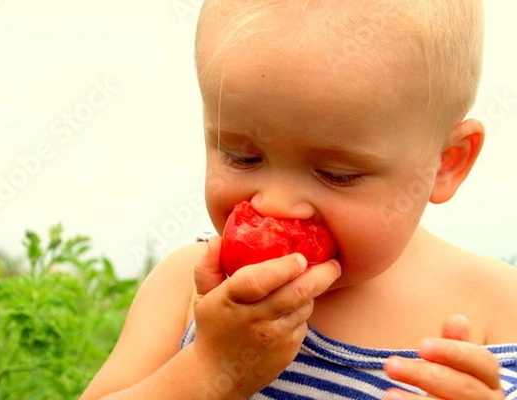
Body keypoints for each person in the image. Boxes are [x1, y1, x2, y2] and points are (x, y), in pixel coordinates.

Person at [81, 0, 517, 398]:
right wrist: (207, 369)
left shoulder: (497, 311)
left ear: (445, 163)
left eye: (336, 174)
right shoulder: (188, 292)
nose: (275, 205)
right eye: (242, 157)